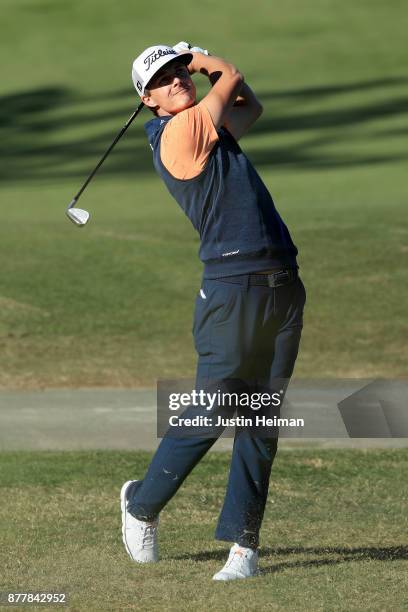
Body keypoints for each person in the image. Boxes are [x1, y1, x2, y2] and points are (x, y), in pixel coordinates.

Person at [121, 42, 306, 581]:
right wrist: (203, 58)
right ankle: (141, 504)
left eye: (179, 71)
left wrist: (208, 71)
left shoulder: (209, 129)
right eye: (164, 78)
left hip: (281, 284)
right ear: (149, 100)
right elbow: (234, 78)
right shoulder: (179, 132)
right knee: (215, 406)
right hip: (231, 289)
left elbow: (249, 105)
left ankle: (244, 548)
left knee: (261, 419)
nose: (178, 79)